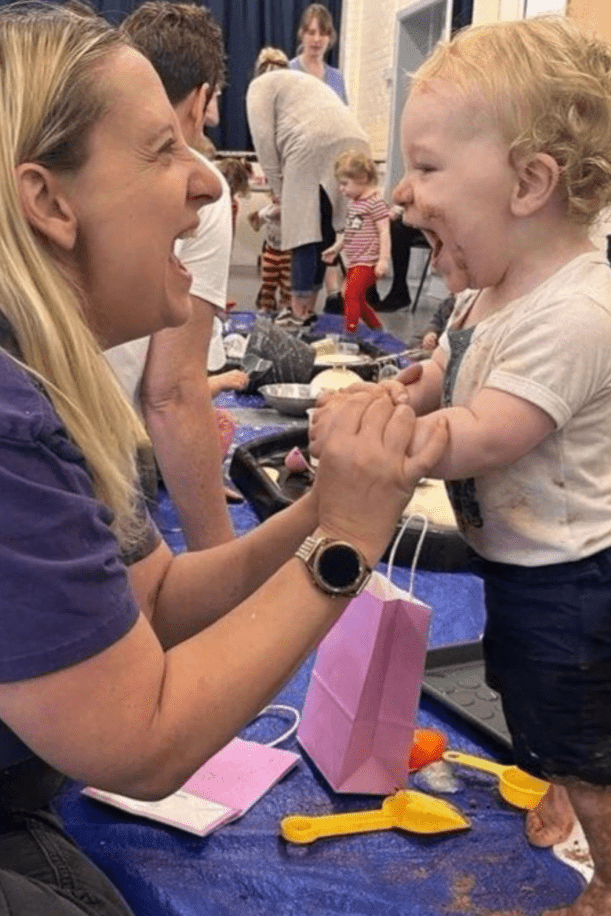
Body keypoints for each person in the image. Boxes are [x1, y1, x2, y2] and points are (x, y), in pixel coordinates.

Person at [0, 5, 450, 914]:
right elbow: (140, 744)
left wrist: (331, 506)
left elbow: (153, 602)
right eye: (162, 149)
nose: (203, 181)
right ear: (49, 201)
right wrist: (342, 546)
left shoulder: (18, 366)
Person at [311, 17, 611, 916]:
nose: (404, 194)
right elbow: (451, 367)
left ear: (528, 183)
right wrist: (407, 393)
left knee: (584, 733)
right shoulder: (488, 285)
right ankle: (559, 772)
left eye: (430, 168)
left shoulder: (578, 311)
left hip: (579, 581)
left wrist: (397, 446)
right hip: (521, 564)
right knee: (535, 707)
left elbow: (490, 431)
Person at [105, 1, 236, 550]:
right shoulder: (203, 184)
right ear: (203, 98)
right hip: (91, 458)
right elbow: (172, 393)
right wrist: (222, 562)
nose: (198, 187)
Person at [246, 49, 370, 328]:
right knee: (325, 230)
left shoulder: (259, 87)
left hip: (312, 143)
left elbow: (264, 143)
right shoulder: (301, 83)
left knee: (302, 232)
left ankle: (297, 311)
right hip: (355, 139)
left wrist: (280, 193)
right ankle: (309, 310)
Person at [289, 3, 347, 309]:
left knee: (325, 238)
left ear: (330, 37)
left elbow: (344, 121)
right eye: (311, 31)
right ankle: (299, 309)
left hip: (330, 171)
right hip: (301, 169)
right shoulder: (290, 70)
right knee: (303, 242)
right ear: (302, 33)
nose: (316, 38)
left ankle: (314, 308)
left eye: (322, 32)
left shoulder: (336, 78)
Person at [322, 149, 389, 333]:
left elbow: (384, 231)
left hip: (368, 261)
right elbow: (350, 231)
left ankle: (350, 332)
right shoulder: (355, 203)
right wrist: (336, 248)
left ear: (363, 179)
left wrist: (383, 260)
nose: (340, 189)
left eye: (344, 183)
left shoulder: (374, 202)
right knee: (354, 296)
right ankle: (375, 327)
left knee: (350, 295)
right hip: (355, 261)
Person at [249, 192, 291, 314]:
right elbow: (256, 224)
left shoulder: (290, 210)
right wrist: (261, 217)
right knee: (268, 282)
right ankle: (266, 305)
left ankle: (286, 305)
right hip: (270, 251)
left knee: (287, 284)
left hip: (287, 252)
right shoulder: (268, 210)